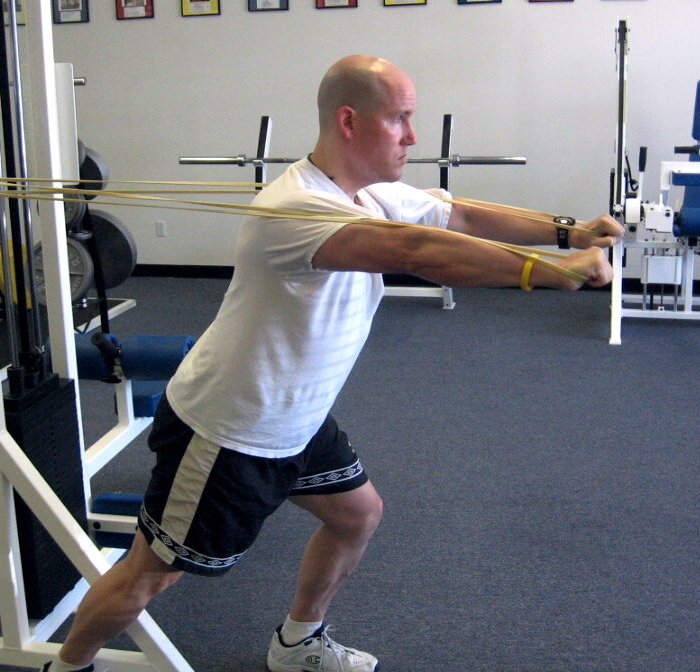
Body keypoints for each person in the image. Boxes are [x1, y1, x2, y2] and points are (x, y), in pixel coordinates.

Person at [40, 54, 623, 672]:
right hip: (230, 430)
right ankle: (67, 666)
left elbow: (458, 216)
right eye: (399, 119)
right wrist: (547, 273)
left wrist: (570, 231)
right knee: (149, 577)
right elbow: (423, 250)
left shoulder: (370, 192)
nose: (413, 136)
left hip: (299, 416)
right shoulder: (293, 208)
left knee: (357, 516)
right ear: (350, 121)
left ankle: (298, 643)